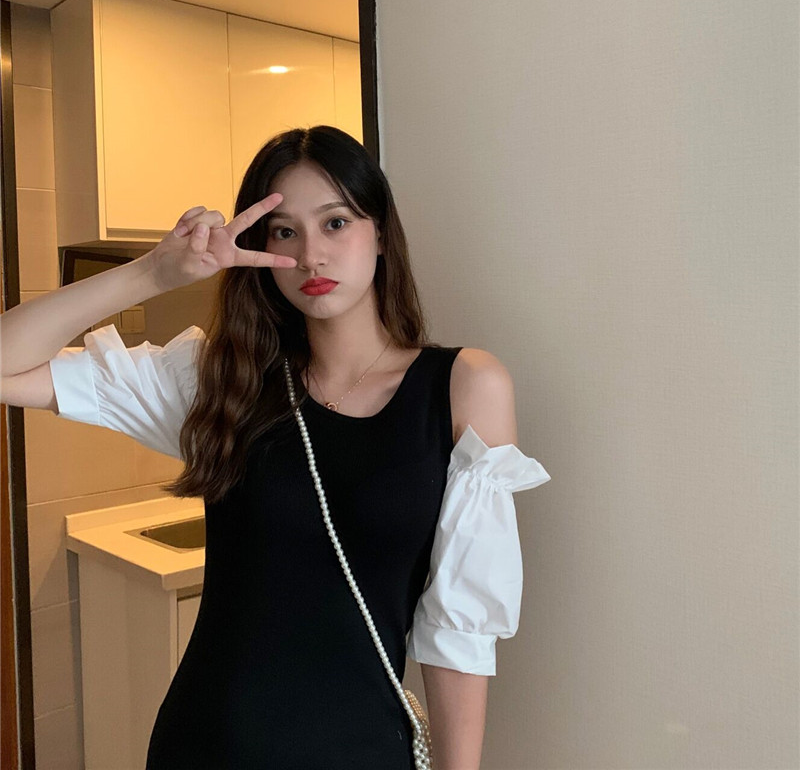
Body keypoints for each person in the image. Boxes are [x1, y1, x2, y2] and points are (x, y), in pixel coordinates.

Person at [0, 125, 550, 769]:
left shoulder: (463, 388)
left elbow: (458, 633)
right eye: (285, 232)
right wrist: (154, 272)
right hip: (205, 747)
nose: (312, 255)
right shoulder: (221, 383)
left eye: (336, 223)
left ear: (380, 233)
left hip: (362, 752)